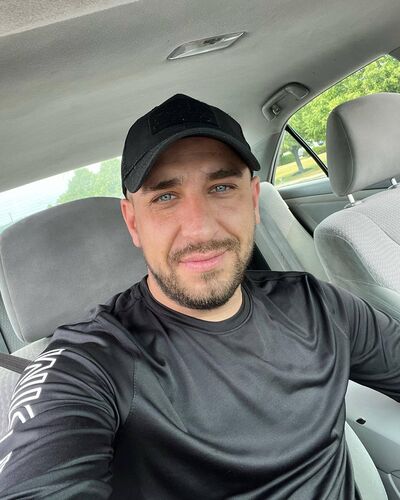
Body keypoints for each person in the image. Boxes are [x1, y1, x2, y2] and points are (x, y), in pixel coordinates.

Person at [0, 93, 399, 499]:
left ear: (253, 201)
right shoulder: (88, 362)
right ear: (133, 222)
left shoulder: (316, 304)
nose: (200, 229)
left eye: (222, 187)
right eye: (165, 197)